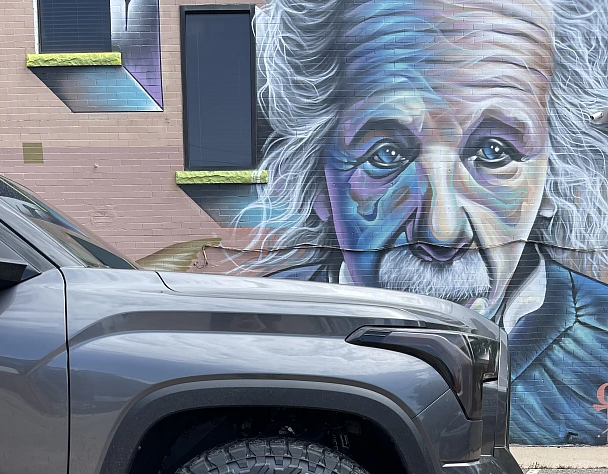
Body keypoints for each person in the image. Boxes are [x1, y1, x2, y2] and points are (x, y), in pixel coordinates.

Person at [243, 0, 608, 444]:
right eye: (385, 155)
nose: (441, 230)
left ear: (551, 180)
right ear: (320, 181)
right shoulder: (255, 337)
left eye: (494, 152)